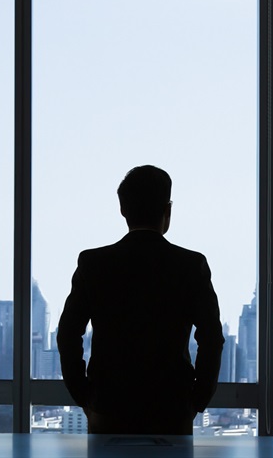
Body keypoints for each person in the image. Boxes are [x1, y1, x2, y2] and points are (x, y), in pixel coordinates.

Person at [56, 165, 225, 435]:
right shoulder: (191, 266)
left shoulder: (94, 264)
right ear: (167, 209)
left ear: (123, 209)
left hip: (108, 407)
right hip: (171, 409)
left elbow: (67, 334)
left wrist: (85, 395)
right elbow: (212, 338)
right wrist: (197, 400)